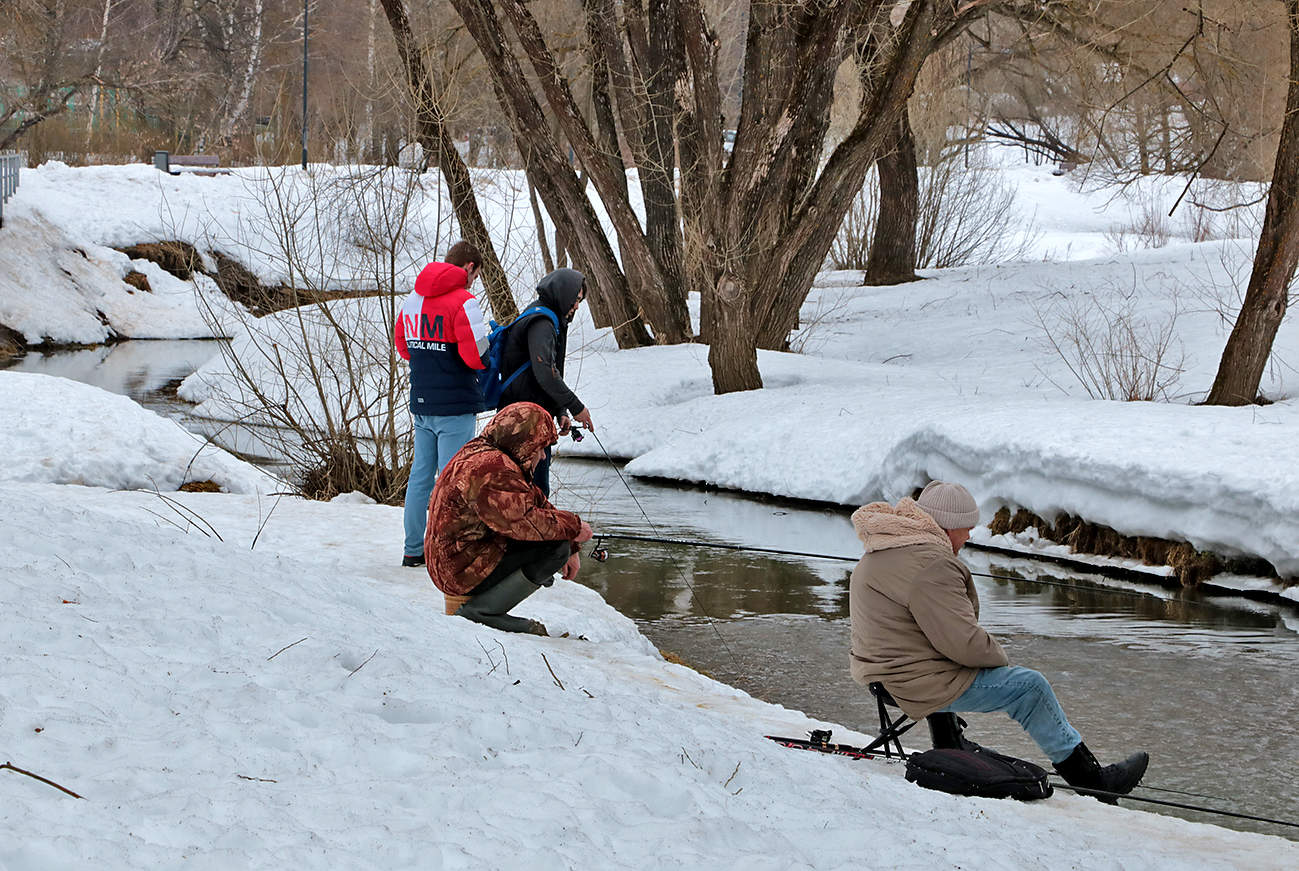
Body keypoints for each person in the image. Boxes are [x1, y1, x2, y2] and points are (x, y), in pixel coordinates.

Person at [848, 481, 1149, 801]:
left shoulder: (886, 546)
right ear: (947, 526)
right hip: (910, 681)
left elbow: (932, 636)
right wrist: (999, 657)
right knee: (1030, 687)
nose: (967, 538)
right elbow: (963, 644)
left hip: (877, 672)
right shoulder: (932, 563)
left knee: (940, 654)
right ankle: (1093, 781)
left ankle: (950, 743)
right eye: (966, 529)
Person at [425, 402, 593, 635]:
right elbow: (525, 520)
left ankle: (484, 606)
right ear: (525, 442)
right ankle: (480, 613)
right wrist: (574, 528)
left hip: (457, 560)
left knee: (558, 542)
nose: (543, 456)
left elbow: (535, 502)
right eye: (540, 447)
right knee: (555, 548)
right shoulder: (493, 468)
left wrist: (574, 545)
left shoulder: (491, 453)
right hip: (459, 569)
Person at [395, 240, 490, 567]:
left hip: (421, 403)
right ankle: (448, 553)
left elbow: (403, 347)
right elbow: (475, 356)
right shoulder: (464, 301)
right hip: (455, 407)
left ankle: (412, 550)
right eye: (476, 275)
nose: (474, 281)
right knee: (453, 482)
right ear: (469, 268)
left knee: (421, 476)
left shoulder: (412, 300)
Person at [495, 267, 593, 496]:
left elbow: (547, 371)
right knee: (533, 492)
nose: (577, 306)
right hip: (523, 420)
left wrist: (560, 410)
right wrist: (576, 407)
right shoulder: (542, 322)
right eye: (576, 300)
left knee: (533, 491)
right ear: (563, 294)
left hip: (532, 414)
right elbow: (545, 373)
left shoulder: (548, 317)